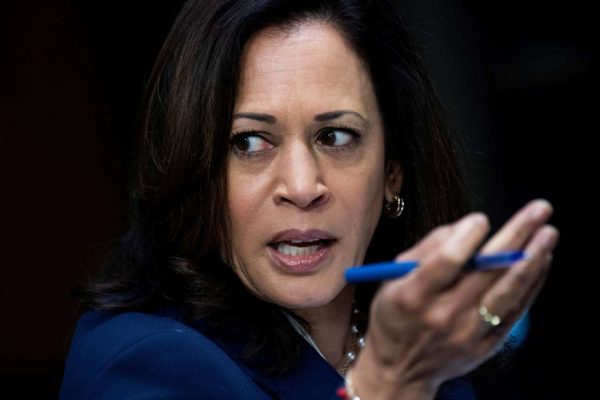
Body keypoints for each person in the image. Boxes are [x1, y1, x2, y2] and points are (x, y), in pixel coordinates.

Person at [60, 0, 558, 399]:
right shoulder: (142, 362)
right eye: (249, 142)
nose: (302, 188)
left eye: (336, 137)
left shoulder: (428, 349)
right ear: (197, 171)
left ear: (392, 174)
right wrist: (387, 386)